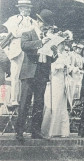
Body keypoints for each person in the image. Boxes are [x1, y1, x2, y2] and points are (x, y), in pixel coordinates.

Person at [15, 9, 57, 141]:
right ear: (38, 21)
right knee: (25, 102)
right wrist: (41, 42)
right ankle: (19, 132)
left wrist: (54, 52)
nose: (46, 26)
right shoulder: (28, 33)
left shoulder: (48, 37)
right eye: (44, 23)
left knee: (39, 103)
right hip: (29, 73)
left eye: (48, 25)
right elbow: (24, 46)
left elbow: (52, 57)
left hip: (42, 73)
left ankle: (36, 131)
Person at [1, 0, 35, 107]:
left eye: (29, 8)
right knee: (15, 74)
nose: (28, 10)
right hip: (17, 49)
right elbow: (14, 32)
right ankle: (13, 99)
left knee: (27, 76)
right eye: (26, 7)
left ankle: (25, 99)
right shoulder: (13, 19)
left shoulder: (32, 21)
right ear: (20, 8)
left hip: (28, 50)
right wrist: (29, 30)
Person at [41, 34, 72, 138]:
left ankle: (62, 130)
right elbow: (51, 68)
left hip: (62, 80)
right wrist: (60, 66)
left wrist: (67, 68)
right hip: (54, 80)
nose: (63, 45)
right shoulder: (52, 55)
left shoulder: (65, 55)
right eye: (61, 44)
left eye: (64, 43)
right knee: (54, 103)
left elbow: (68, 66)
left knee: (62, 104)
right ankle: (50, 130)